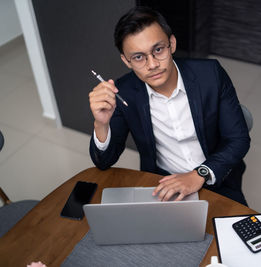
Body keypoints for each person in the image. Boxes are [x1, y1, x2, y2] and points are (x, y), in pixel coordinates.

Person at [89, 6, 250, 205]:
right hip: (162, 185)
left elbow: (238, 139)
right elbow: (104, 162)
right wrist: (101, 124)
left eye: (158, 50)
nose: (152, 64)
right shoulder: (123, 92)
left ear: (171, 44)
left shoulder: (211, 74)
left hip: (217, 177)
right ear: (126, 61)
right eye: (139, 57)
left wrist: (199, 174)